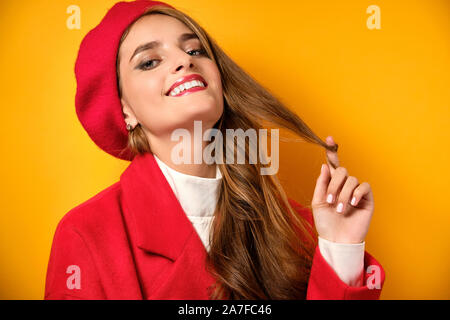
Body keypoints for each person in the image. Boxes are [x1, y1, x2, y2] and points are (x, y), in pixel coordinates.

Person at [44, 0, 385, 300]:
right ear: (125, 111)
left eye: (195, 50)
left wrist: (340, 250)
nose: (183, 61)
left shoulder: (299, 227)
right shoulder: (86, 233)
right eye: (149, 61)